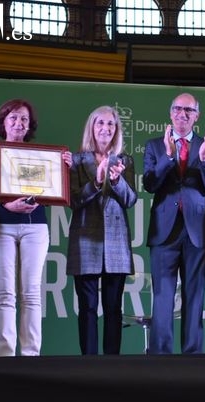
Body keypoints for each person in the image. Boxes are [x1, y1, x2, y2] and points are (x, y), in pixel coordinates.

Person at [0, 99, 72, 356]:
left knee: (31, 293)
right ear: (3, 122)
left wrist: (64, 167)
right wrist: (8, 206)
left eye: (24, 120)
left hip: (35, 227)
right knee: (5, 293)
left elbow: (55, 188)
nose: (18, 123)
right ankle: (5, 355)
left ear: (29, 126)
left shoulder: (42, 157)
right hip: (2, 225)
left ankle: (31, 355)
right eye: (13, 118)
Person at [142, 92, 205, 354]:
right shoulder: (154, 145)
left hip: (196, 231)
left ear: (197, 116)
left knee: (195, 296)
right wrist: (167, 155)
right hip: (164, 231)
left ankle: (193, 357)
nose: (182, 114)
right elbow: (150, 184)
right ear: (170, 113)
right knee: (163, 298)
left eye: (189, 111)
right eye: (178, 109)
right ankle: (160, 358)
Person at [67, 106, 137, 355]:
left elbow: (130, 200)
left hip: (116, 244)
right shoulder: (76, 161)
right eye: (100, 123)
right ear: (92, 128)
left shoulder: (125, 161)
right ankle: (88, 363)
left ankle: (112, 365)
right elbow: (74, 201)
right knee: (87, 308)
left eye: (110, 124)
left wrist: (117, 181)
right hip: (85, 241)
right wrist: (96, 181)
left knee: (113, 309)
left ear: (116, 130)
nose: (105, 129)